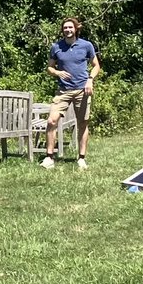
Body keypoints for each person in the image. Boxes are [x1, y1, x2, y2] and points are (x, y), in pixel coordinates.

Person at [41, 17, 101, 170]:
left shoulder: (86, 45)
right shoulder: (56, 47)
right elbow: (49, 68)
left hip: (82, 90)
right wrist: (58, 73)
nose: (68, 30)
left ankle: (81, 158)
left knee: (82, 123)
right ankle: (49, 158)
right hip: (63, 91)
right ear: (62, 30)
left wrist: (90, 80)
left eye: (70, 27)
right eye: (65, 28)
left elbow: (96, 66)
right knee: (51, 121)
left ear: (76, 29)